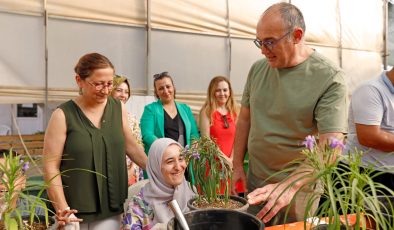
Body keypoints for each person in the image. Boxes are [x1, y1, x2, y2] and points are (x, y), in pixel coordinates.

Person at [231, 2, 348, 226]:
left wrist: (290, 185)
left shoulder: (329, 78)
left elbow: (330, 147)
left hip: (299, 190)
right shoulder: (257, 69)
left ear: (296, 35)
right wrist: (237, 165)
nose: (263, 50)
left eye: (270, 42)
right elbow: (245, 118)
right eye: (260, 41)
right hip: (256, 181)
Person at [43, 53, 148, 229]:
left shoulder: (117, 108)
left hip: (110, 206)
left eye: (109, 84)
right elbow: (50, 166)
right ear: (79, 80)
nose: (106, 90)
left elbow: (131, 145)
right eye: (98, 84)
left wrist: (157, 169)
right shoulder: (62, 115)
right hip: (73, 211)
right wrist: (63, 209)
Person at [122, 138, 195, 230]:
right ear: (156, 167)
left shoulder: (192, 192)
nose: (178, 167)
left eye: (181, 159)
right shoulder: (139, 204)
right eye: (170, 161)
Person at [140, 72, 199, 179]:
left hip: (184, 163)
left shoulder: (185, 109)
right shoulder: (150, 109)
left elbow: (194, 134)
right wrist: (167, 150)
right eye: (161, 88)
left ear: (173, 87)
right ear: (156, 92)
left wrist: (193, 150)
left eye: (168, 86)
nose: (166, 91)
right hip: (163, 163)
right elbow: (147, 135)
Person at [344, 66, 394, 190]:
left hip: (387, 174)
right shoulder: (371, 90)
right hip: (366, 176)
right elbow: (370, 137)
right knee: (354, 210)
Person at [199, 76, 245, 194]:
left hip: (232, 164)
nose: (222, 93)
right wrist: (224, 159)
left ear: (230, 91)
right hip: (213, 164)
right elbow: (206, 140)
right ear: (212, 92)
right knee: (215, 202)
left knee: (233, 201)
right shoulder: (206, 112)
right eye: (218, 90)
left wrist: (233, 159)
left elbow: (239, 137)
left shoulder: (236, 111)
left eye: (225, 90)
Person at [111, 75, 144, 186]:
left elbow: (138, 144)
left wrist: (132, 169)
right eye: (119, 90)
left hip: (131, 170)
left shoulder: (132, 118)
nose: (123, 95)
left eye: (126, 92)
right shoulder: (102, 116)